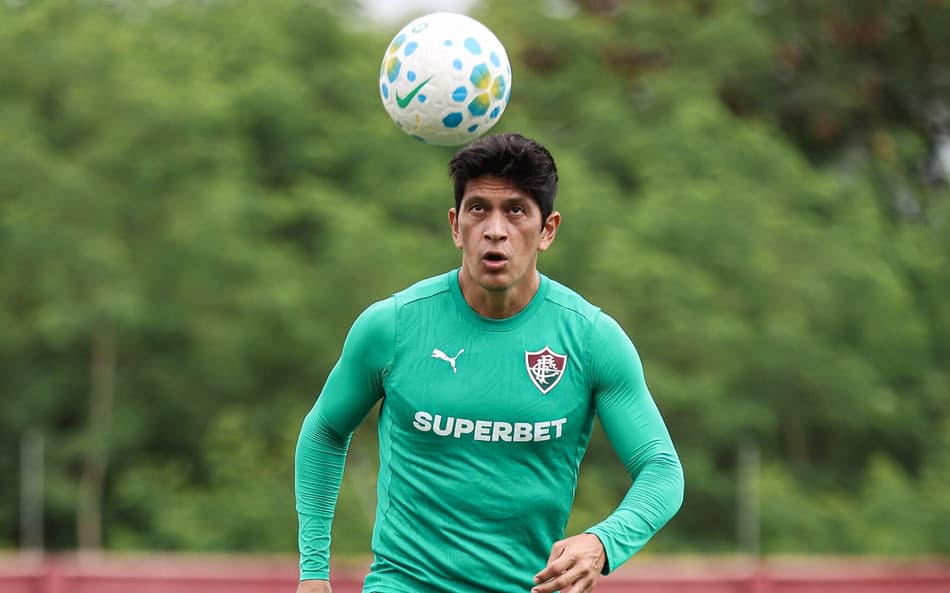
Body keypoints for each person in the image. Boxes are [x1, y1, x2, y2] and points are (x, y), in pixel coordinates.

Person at [295, 132, 684, 593]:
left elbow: (661, 469)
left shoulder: (591, 340)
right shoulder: (392, 327)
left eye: (516, 210)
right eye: (478, 209)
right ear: (456, 225)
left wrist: (603, 543)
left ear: (548, 230)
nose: (495, 229)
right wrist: (314, 572)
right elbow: (324, 430)